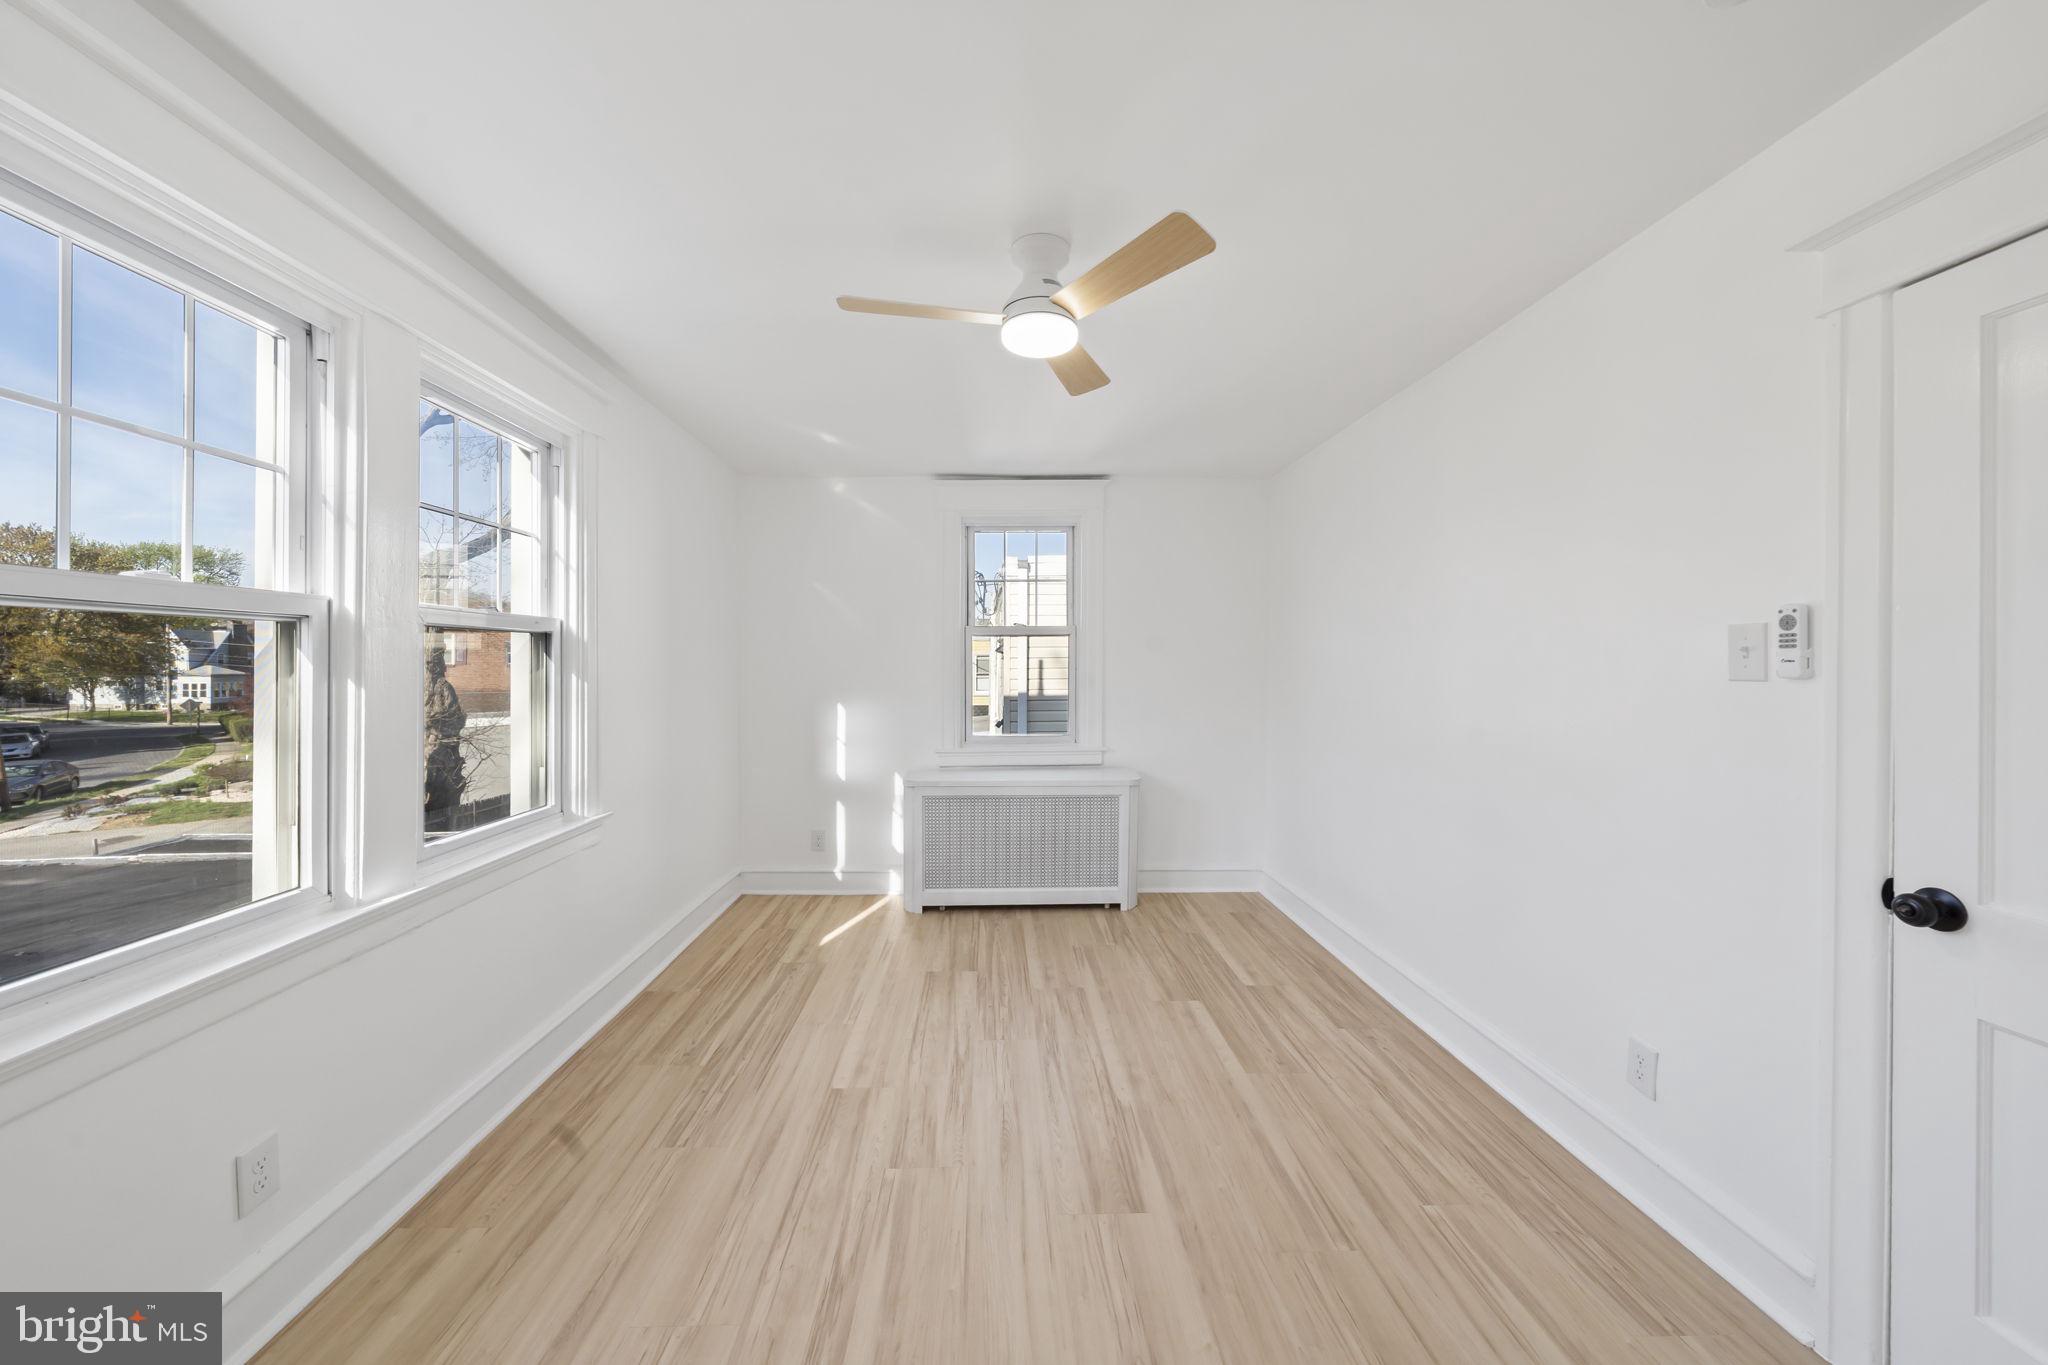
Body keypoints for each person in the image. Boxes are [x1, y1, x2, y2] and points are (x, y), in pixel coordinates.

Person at [422, 646, 466, 828]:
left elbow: (455, 719)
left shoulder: (444, 689)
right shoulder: (423, 688)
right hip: (428, 754)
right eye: (429, 664)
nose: (431, 668)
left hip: (442, 754)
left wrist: (434, 728)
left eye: (435, 664)